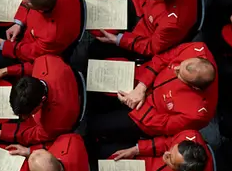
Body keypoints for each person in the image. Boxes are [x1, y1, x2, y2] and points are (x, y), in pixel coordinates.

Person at [88, 42, 217, 141]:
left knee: (96, 125)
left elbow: (163, 125)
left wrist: (135, 103)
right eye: (179, 65)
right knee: (94, 81)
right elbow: (162, 59)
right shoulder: (196, 48)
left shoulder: (197, 114)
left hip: (145, 116)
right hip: (145, 79)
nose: (175, 68)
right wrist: (141, 87)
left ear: (194, 87)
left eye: (179, 74)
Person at [0, 55, 80, 145]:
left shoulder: (53, 124)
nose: (22, 117)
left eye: (27, 113)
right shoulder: (44, 61)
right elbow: (33, 67)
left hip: (68, 107)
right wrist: (6, 71)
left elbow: (33, 135)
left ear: (42, 101)